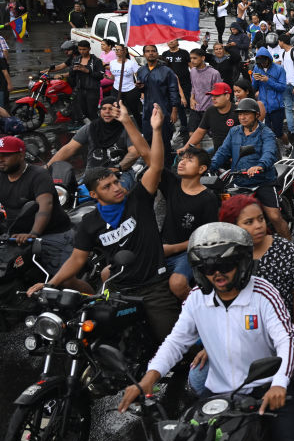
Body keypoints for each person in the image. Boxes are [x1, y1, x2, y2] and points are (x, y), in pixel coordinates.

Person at [117, 222, 294, 441]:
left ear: (241, 263)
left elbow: (287, 341)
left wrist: (279, 383)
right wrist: (147, 380)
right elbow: (175, 342)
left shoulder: (263, 294)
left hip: (265, 390)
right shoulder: (196, 299)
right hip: (218, 396)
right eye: (207, 267)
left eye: (224, 265)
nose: (216, 273)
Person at [31, 105, 182, 341]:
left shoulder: (138, 199)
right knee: (102, 341)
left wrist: (151, 127)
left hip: (154, 287)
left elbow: (156, 165)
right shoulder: (90, 223)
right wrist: (50, 284)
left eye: (116, 182)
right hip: (119, 289)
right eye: (107, 187)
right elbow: (77, 259)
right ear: (94, 195)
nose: (117, 188)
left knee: (173, 346)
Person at [213, 195, 294, 441]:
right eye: (249, 222)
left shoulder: (283, 249)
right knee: (199, 381)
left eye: (260, 220)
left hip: (290, 323)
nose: (258, 226)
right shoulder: (224, 257)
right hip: (243, 329)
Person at [209, 97, 290, 239]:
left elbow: (269, 153)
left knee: (275, 217)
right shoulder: (234, 132)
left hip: (263, 181)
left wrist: (259, 166)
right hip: (239, 180)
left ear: (256, 115)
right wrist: (208, 166)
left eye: (246, 114)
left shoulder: (266, 133)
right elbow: (222, 151)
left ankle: (290, 249)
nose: (242, 117)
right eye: (240, 114)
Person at [0, 135, 73, 276]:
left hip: (51, 234)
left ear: (21, 155)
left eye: (6, 155)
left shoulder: (39, 175)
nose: (0, 159)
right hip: (15, 235)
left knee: (62, 281)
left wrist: (33, 234)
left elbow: (45, 207)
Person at [161, 146, 220, 299]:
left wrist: (173, 249)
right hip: (161, 249)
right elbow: (149, 156)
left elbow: (208, 238)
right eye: (182, 159)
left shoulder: (208, 198)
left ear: (202, 169)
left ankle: (200, 311)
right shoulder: (171, 185)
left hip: (188, 253)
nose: (182, 162)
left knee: (177, 283)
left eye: (189, 160)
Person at [45, 96, 148, 173]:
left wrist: (117, 168)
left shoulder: (126, 128)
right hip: (92, 175)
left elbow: (134, 152)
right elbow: (69, 149)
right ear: (100, 111)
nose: (107, 112)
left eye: (111, 108)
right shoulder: (91, 127)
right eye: (104, 109)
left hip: (119, 174)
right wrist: (47, 167)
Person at [137, 44, 181, 165]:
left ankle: (167, 167)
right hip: (147, 111)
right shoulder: (141, 70)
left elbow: (173, 90)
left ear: (156, 53)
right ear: (144, 54)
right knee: (148, 139)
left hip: (164, 110)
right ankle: (152, 166)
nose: (150, 53)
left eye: (153, 51)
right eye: (148, 51)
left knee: (164, 140)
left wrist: (174, 110)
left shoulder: (166, 71)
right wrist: (140, 88)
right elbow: (142, 90)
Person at [50, 40, 104, 127]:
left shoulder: (96, 61)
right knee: (83, 112)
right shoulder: (76, 59)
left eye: (84, 49)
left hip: (92, 91)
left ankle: (98, 131)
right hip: (80, 90)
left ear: (89, 49)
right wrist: (71, 71)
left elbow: (100, 75)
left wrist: (87, 71)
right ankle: (88, 130)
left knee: (92, 113)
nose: (82, 52)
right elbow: (71, 73)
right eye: (80, 49)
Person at [179, 82, 239, 153]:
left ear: (227, 96)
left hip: (236, 153)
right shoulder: (210, 111)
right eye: (212, 95)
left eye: (217, 95)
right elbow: (200, 132)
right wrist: (186, 147)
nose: (213, 98)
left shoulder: (238, 111)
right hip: (219, 154)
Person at [251, 47, 288, 144]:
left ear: (268, 59)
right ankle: (273, 152)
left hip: (277, 107)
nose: (262, 64)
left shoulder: (279, 69)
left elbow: (282, 87)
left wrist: (268, 80)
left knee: (278, 133)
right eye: (260, 62)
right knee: (266, 133)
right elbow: (254, 87)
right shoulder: (257, 68)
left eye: (264, 61)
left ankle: (288, 145)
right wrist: (255, 79)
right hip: (264, 107)